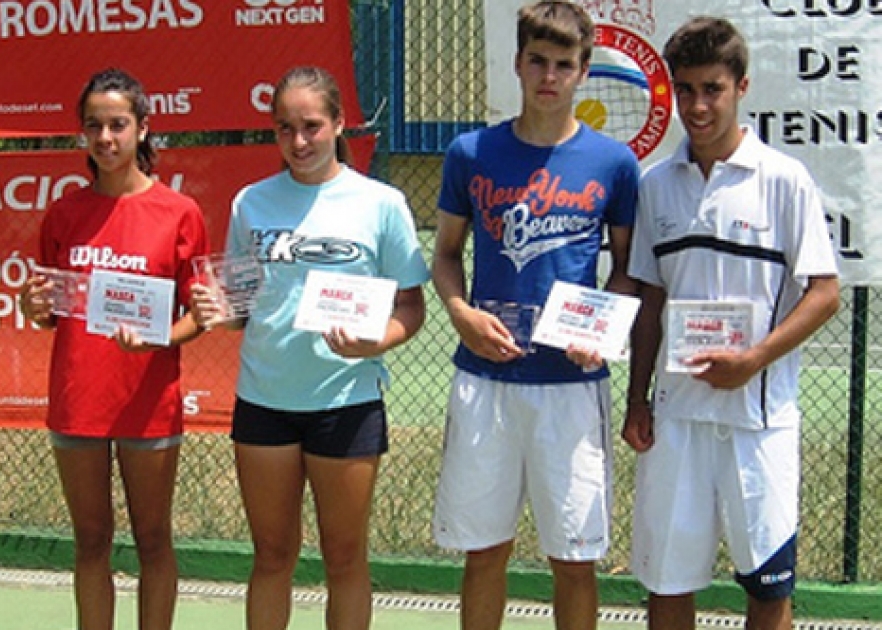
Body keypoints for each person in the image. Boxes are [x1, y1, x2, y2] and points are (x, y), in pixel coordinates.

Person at [190, 66, 429, 630]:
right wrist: (219, 314)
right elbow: (241, 303)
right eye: (284, 128)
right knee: (272, 556)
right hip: (265, 400)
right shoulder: (252, 202)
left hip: (345, 402)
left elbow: (411, 308)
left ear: (340, 123)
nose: (298, 142)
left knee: (344, 559)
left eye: (312, 126)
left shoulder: (382, 203)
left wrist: (377, 340)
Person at [623, 16, 840, 630]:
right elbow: (650, 299)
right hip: (677, 420)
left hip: (760, 422)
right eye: (685, 89)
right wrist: (638, 398)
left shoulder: (784, 179)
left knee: (768, 588)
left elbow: (824, 293)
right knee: (668, 582)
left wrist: (754, 359)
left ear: (741, 86)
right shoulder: (656, 184)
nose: (697, 105)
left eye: (712, 88)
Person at [429, 2, 640, 629]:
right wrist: (460, 311)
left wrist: (601, 329)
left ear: (583, 72)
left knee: (574, 559)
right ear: (519, 63)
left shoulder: (613, 163)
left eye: (565, 65)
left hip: (571, 387)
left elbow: (627, 269)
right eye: (538, 62)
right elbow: (444, 254)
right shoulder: (472, 152)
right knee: (484, 552)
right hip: (486, 379)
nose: (550, 76)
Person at [18, 68, 210, 630]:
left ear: (143, 129)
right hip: (79, 401)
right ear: (82, 134)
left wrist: (159, 336)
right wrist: (35, 311)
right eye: (94, 126)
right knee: (90, 542)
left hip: (149, 404)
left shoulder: (179, 213)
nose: (105, 138)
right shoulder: (64, 214)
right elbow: (50, 313)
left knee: (153, 541)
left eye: (118, 125)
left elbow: (199, 316)